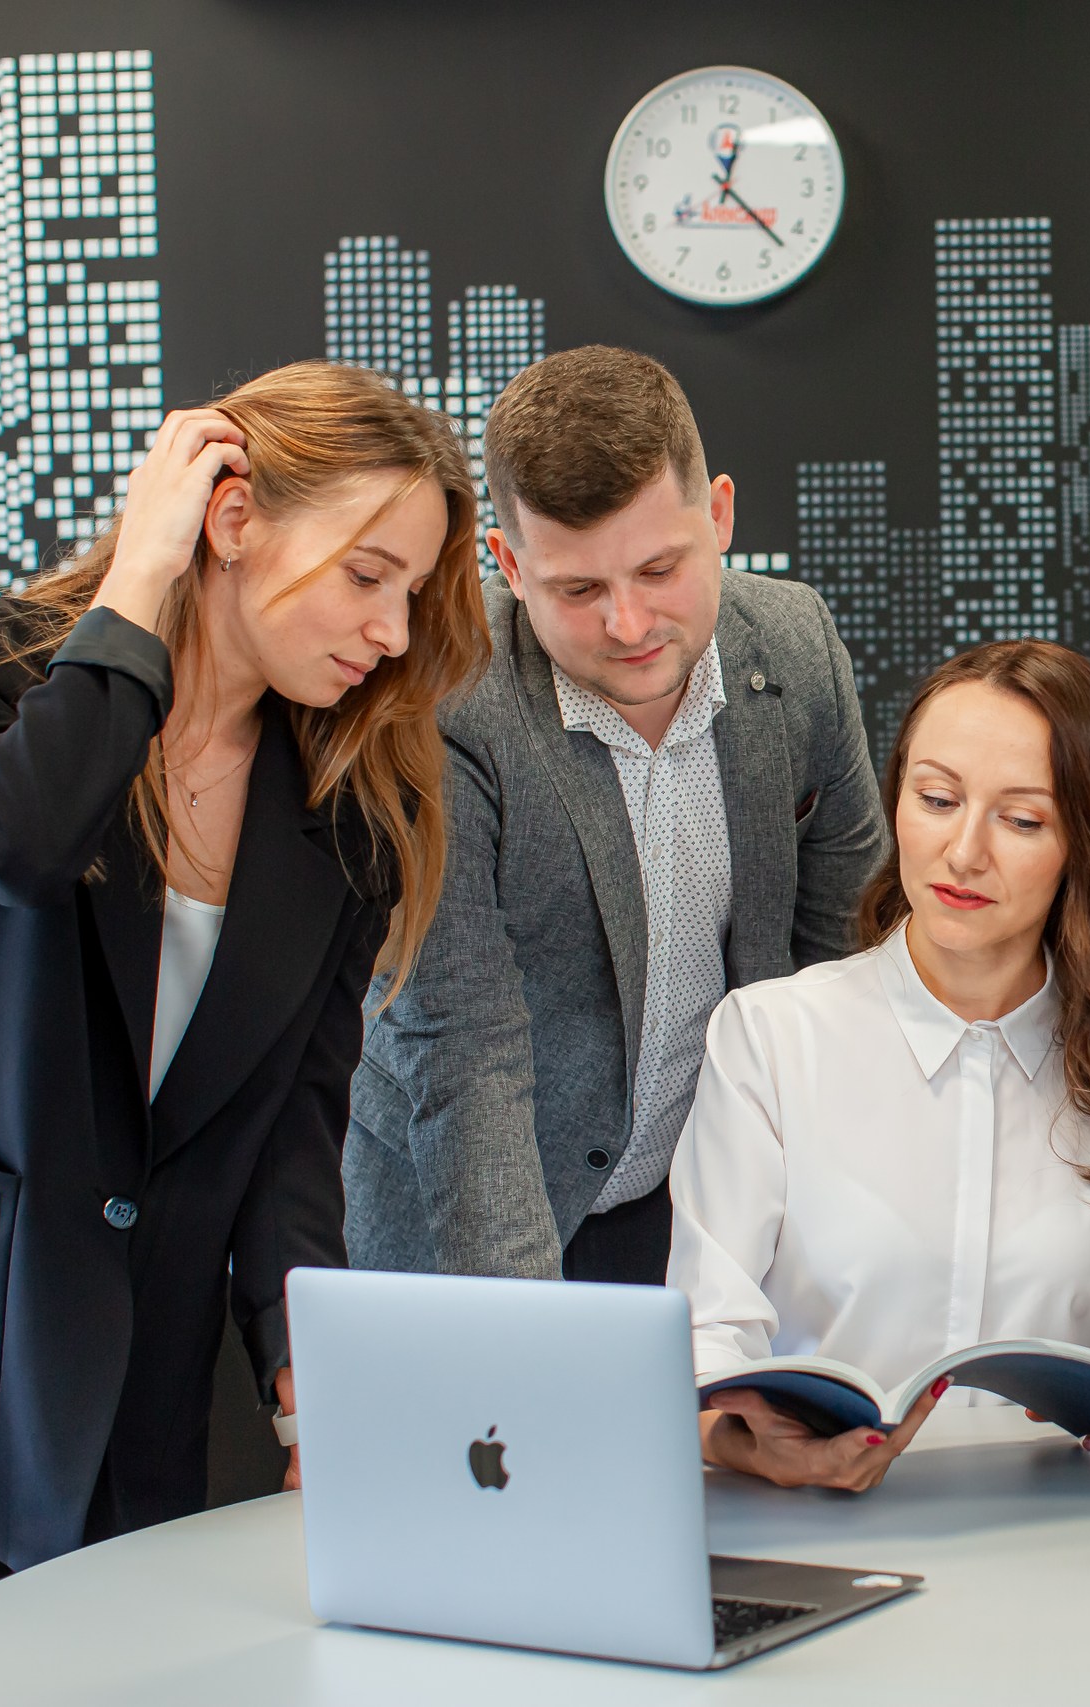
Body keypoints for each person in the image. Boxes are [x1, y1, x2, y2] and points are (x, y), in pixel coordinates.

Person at [0, 363, 490, 1689]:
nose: (389, 630)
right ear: (228, 517)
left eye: (412, 594)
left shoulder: (349, 815)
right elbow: (21, 843)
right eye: (367, 573)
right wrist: (139, 582)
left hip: (149, 1398)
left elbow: (287, 1137)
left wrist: (295, 1361)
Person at [671, 642, 1090, 1491]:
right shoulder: (771, 1037)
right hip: (818, 1527)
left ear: (1083, 842)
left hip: (1077, 1534)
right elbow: (701, 1343)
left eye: (1022, 820)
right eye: (937, 799)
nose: (962, 851)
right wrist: (747, 1444)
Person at [345, 347, 885, 1286]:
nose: (630, 624)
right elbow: (464, 1055)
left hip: (707, 1210)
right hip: (476, 1216)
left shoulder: (797, 648)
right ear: (510, 565)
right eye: (580, 590)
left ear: (718, 515)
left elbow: (845, 965)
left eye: (660, 568)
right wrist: (528, 1342)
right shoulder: (442, 703)